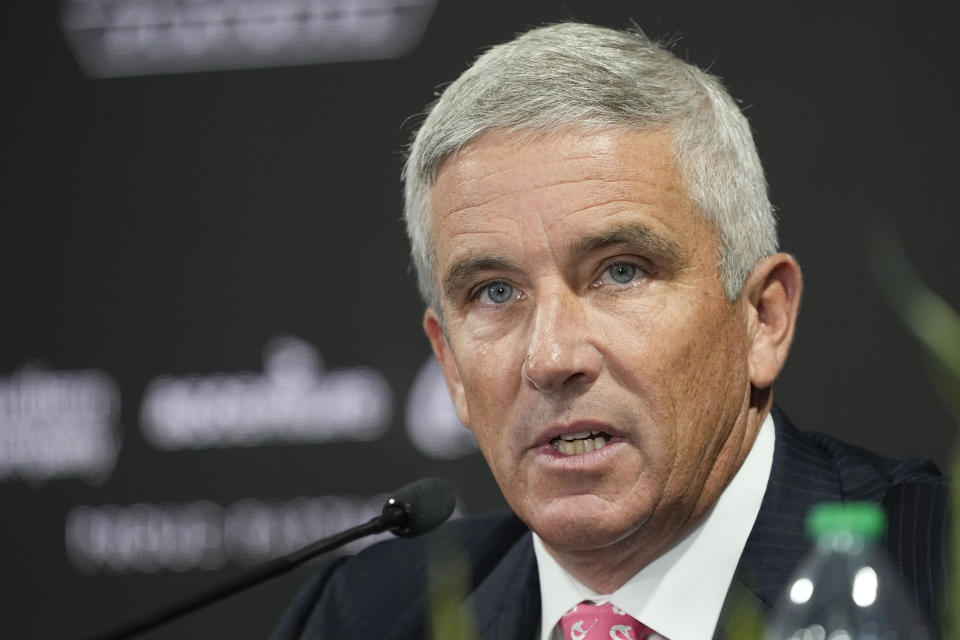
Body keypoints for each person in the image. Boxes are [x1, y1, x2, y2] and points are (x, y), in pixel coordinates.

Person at [272, 23, 948, 640]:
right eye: (495, 292)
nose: (552, 356)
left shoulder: (935, 574)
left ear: (763, 317)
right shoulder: (359, 617)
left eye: (621, 272)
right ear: (449, 365)